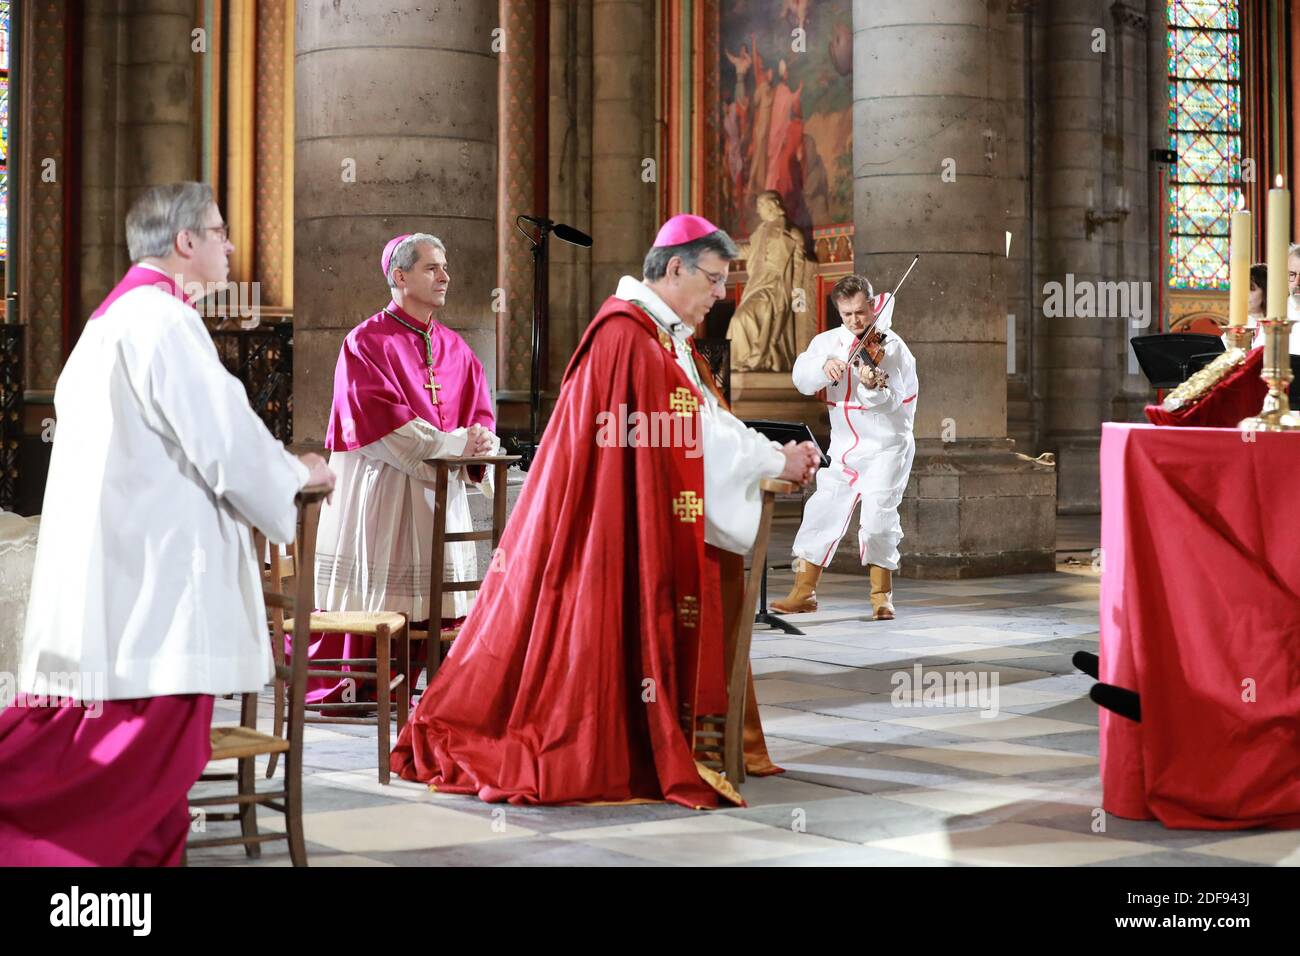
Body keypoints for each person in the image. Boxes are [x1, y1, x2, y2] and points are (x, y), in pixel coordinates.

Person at [391, 214, 821, 808]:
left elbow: (705, 424)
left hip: (627, 515)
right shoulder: (627, 334)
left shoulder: (659, 334)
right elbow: (691, 431)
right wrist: (776, 460)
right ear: (675, 268)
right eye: (716, 280)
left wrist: (773, 456)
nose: (723, 297)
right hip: (605, 528)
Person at [0, 182, 333, 866]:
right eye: (218, 232)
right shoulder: (163, 322)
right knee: (130, 786)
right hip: (153, 607)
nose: (229, 244)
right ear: (185, 243)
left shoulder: (106, 326)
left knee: (117, 785)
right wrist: (300, 474)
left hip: (113, 594)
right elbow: (227, 444)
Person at [311, 234, 498, 702]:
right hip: (385, 491)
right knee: (386, 593)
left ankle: (432, 686)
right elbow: (379, 425)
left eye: (445, 267)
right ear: (399, 276)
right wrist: (455, 444)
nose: (445, 277)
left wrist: (478, 442)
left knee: (435, 598)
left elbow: (480, 416)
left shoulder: (457, 349)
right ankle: (369, 683)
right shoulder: (365, 343)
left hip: (439, 496)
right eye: (432, 268)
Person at [772, 274, 918, 621]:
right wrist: (824, 368)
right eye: (847, 314)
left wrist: (871, 385)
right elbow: (801, 378)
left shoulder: (891, 347)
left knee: (879, 519)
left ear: (871, 305)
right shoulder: (829, 341)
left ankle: (881, 596)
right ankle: (803, 593)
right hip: (843, 447)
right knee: (821, 511)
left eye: (861, 312)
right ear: (839, 312)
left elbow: (892, 403)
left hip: (886, 446)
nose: (855, 321)